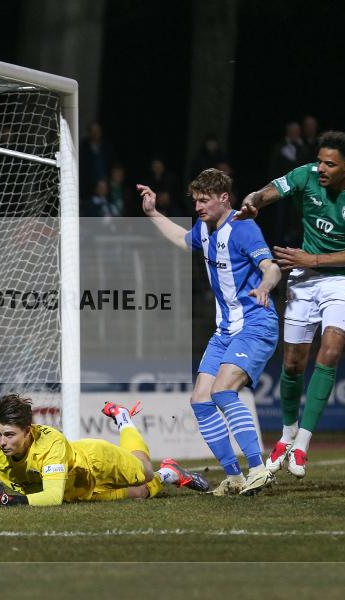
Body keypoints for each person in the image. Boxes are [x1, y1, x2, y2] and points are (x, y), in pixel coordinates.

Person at [235, 131, 345, 479]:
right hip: (305, 275)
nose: (320, 168)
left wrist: (313, 258)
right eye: (320, 160)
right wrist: (253, 201)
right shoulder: (305, 175)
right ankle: (287, 433)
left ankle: (302, 442)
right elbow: (267, 193)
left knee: (330, 350)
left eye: (329, 164)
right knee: (292, 363)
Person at [139, 168, 281, 496]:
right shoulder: (203, 229)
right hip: (226, 330)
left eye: (205, 200)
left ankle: (258, 470)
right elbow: (178, 238)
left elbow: (270, 266)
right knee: (200, 399)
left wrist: (264, 286)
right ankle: (233, 476)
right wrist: (152, 213)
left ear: (224, 198)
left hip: (256, 324)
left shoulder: (243, 227)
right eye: (195, 201)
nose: (199, 207)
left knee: (222, 392)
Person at [0, 394, 209, 506]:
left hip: (96, 463)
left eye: (9, 435)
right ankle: (169, 474)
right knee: (140, 494)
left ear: (28, 431)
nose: (1, 441)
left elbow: (52, 497)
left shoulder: (50, 443)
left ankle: (123, 419)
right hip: (79, 491)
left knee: (144, 471)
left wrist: (10, 500)